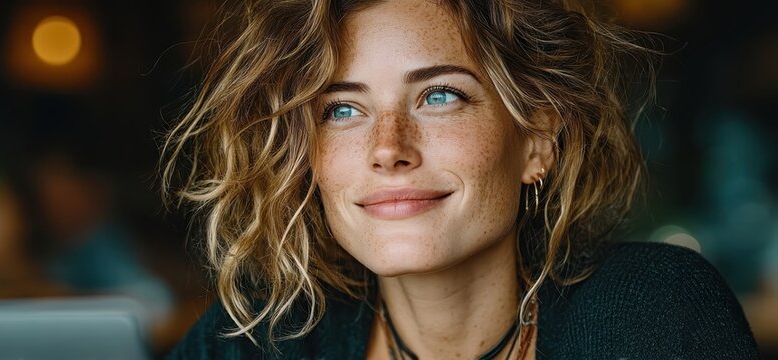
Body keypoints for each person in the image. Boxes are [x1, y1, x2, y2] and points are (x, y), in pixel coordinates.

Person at [161, 0, 759, 358]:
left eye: (439, 95)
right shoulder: (263, 336)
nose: (388, 148)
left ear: (536, 139)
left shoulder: (648, 315)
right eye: (341, 109)